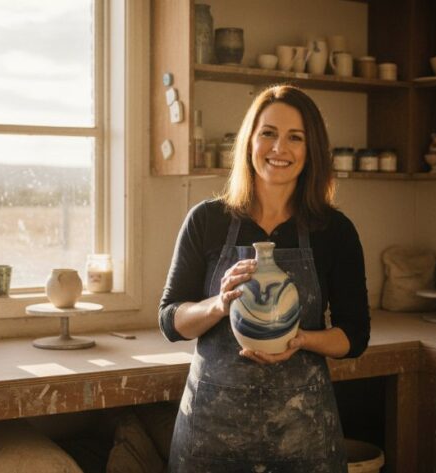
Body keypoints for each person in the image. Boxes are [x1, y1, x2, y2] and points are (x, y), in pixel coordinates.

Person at [158, 85, 370, 472]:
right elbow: (171, 321)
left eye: (295, 137)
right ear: (250, 141)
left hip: (302, 437)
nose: (279, 148)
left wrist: (301, 339)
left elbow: (354, 336)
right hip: (211, 436)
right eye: (268, 133)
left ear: (312, 150)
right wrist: (219, 304)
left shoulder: (333, 230)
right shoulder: (207, 220)